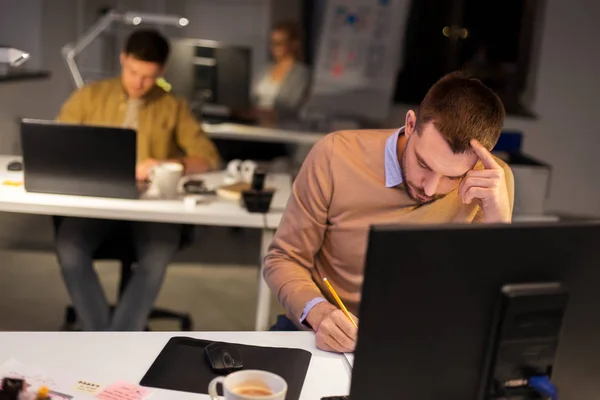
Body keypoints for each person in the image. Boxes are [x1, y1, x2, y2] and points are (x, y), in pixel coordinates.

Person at [263, 71, 515, 352]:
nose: (430, 189)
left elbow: (488, 305)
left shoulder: (491, 183)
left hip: (419, 343)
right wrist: (318, 311)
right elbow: (282, 259)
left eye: (452, 177)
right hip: (324, 330)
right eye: (423, 164)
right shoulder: (335, 156)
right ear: (409, 124)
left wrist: (499, 226)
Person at [54, 29, 221, 331]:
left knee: (158, 251)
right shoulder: (90, 97)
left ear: (162, 72)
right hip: (97, 202)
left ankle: (121, 334)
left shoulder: (173, 106)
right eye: (133, 72)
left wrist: (168, 163)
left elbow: (208, 158)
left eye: (148, 77)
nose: (138, 82)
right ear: (122, 59)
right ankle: (101, 335)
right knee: (68, 246)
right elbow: (58, 144)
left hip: (150, 208)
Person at [251, 20, 311, 120]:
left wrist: (264, 113)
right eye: (272, 43)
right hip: (256, 123)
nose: (274, 48)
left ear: (294, 44)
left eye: (279, 43)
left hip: (283, 126)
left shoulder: (302, 73)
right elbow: (252, 98)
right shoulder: (264, 70)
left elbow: (291, 106)